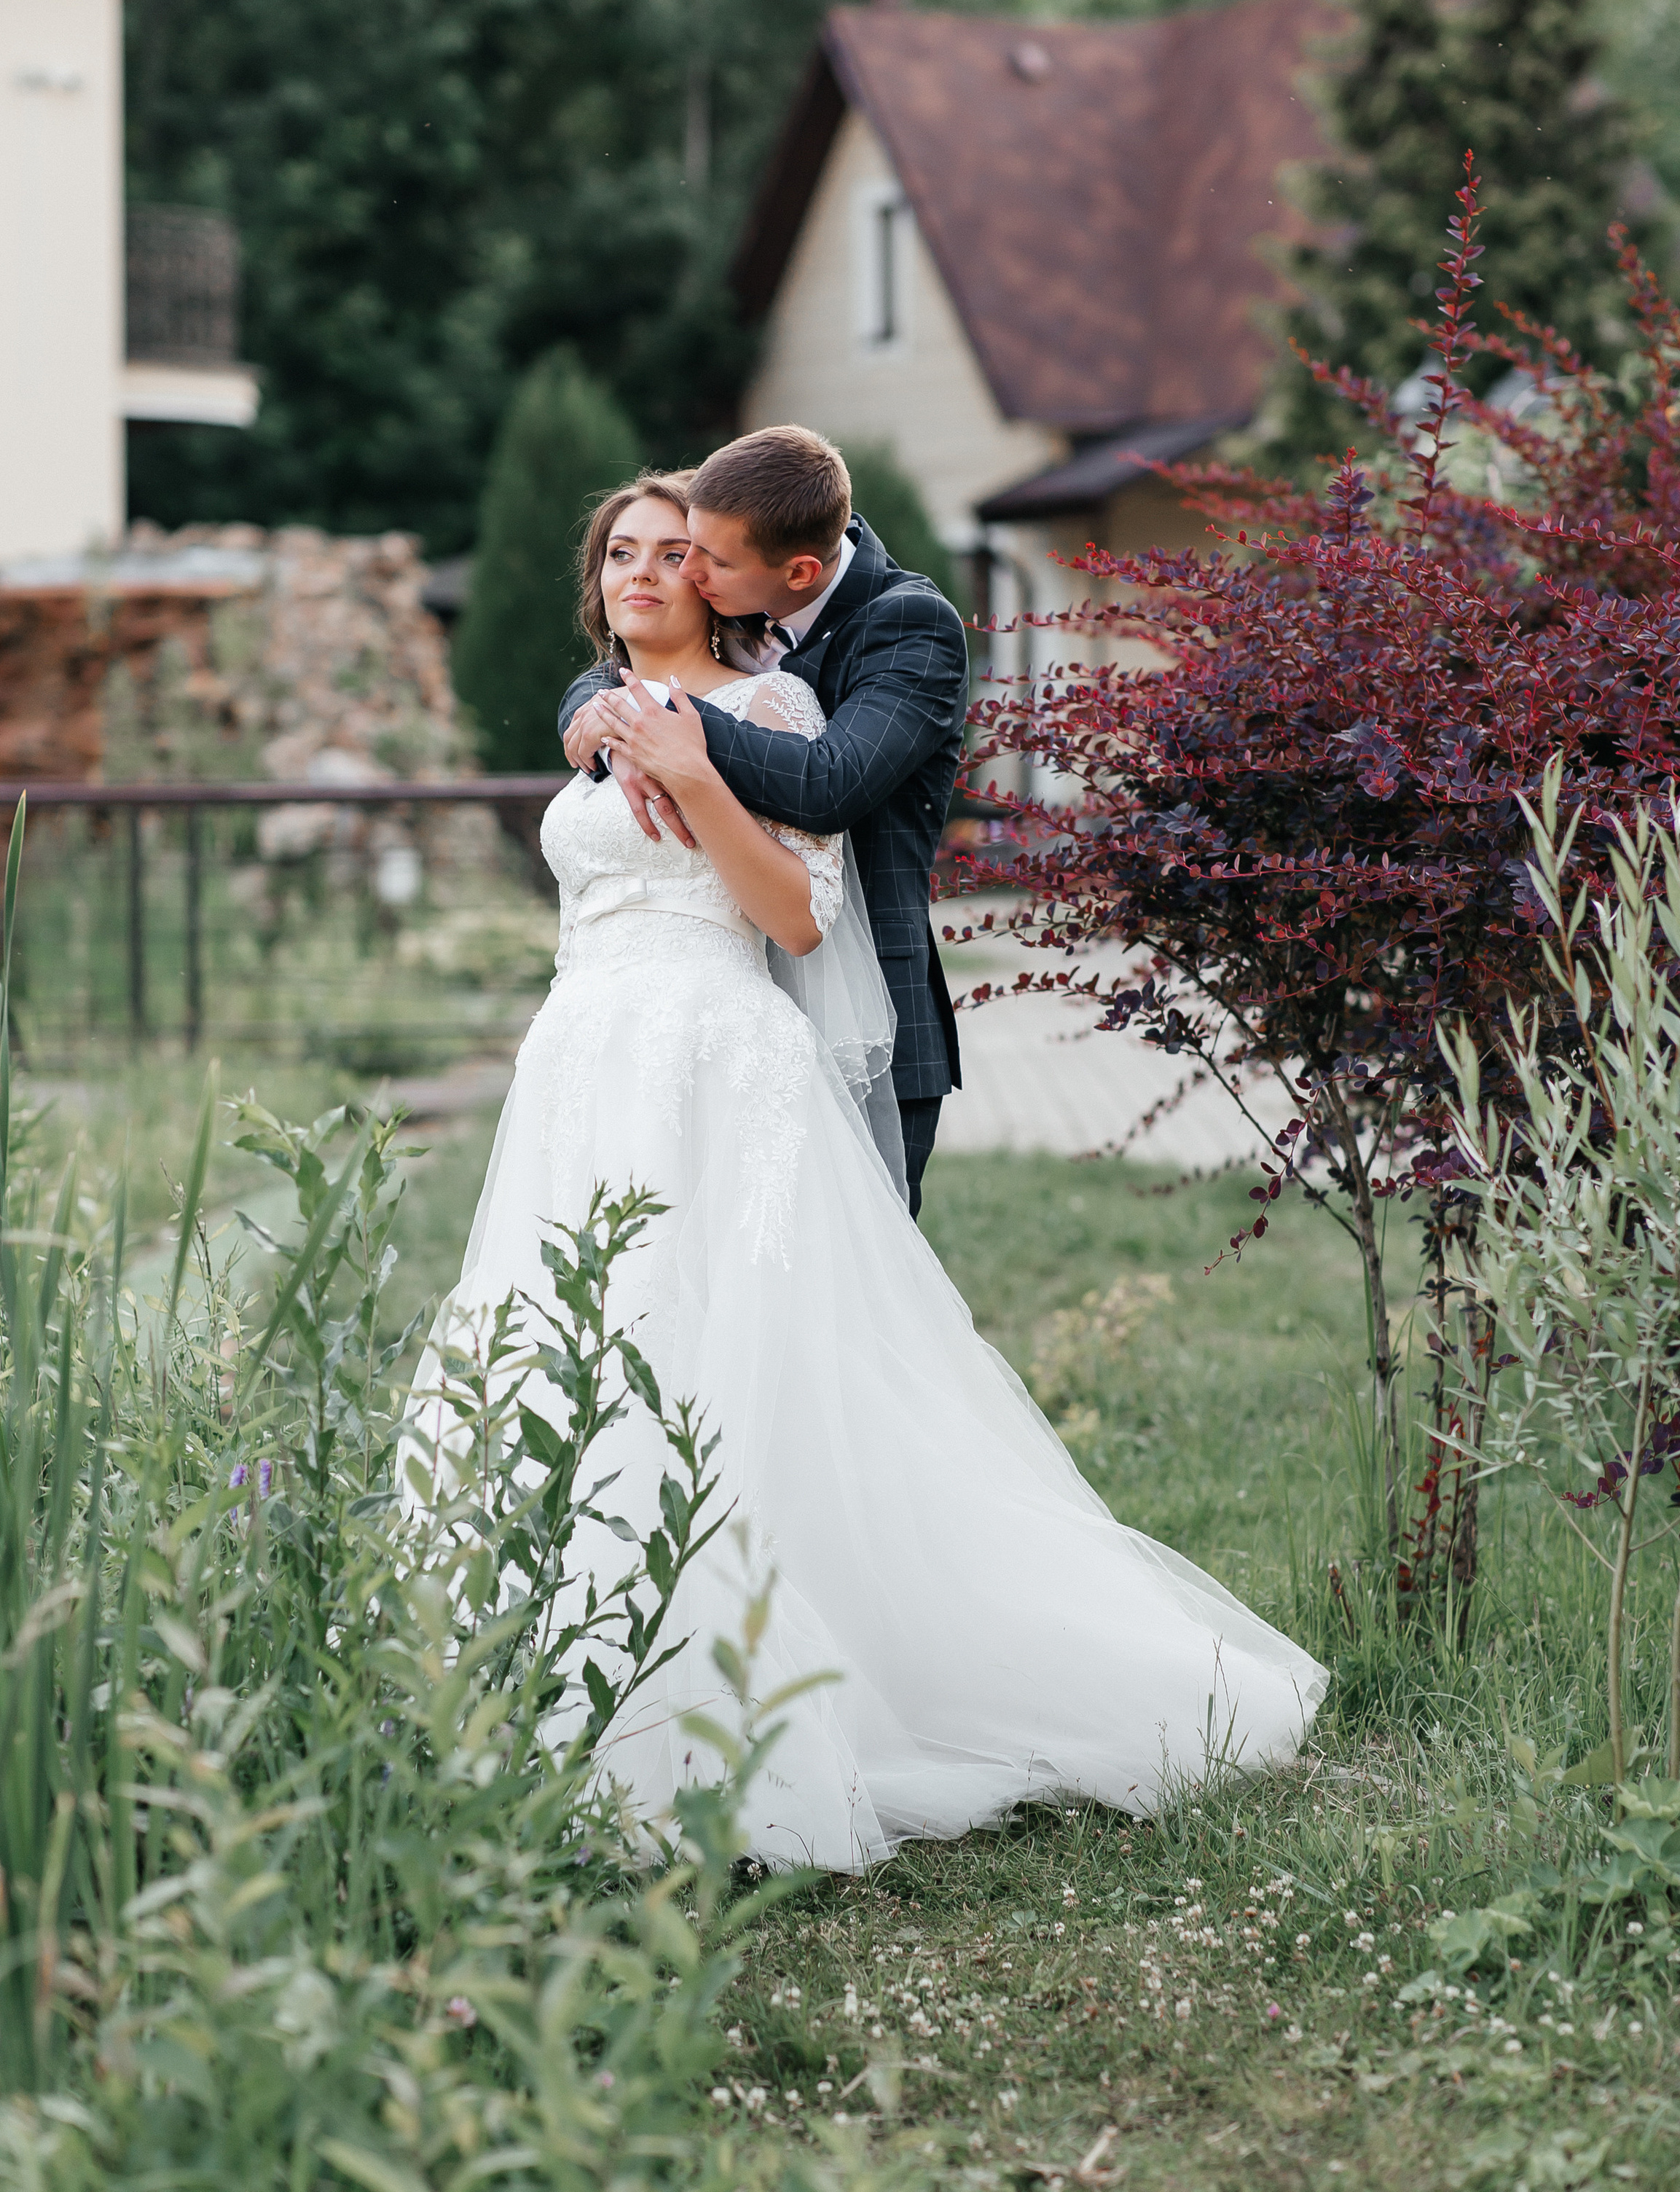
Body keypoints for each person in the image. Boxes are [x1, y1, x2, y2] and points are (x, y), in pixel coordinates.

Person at [401, 470, 1326, 1873]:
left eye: (678, 553)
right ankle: (531, 1675)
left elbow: (791, 904)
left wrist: (692, 765)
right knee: (555, 1343)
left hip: (718, 1058)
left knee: (739, 1369)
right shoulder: (593, 711)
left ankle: (752, 1701)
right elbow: (607, 763)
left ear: (729, 575)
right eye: (625, 555)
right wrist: (613, 727)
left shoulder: (791, 697)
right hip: (584, 1065)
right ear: (597, 583)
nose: (650, 571)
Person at [560, 426, 966, 1216]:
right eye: (688, 551)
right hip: (690, 1032)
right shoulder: (750, 591)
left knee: (841, 1314)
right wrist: (605, 717)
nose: (687, 574)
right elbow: (611, 668)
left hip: (862, 1027)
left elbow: (827, 784)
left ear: (799, 572)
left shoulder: (905, 625)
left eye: (690, 558)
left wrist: (656, 722)